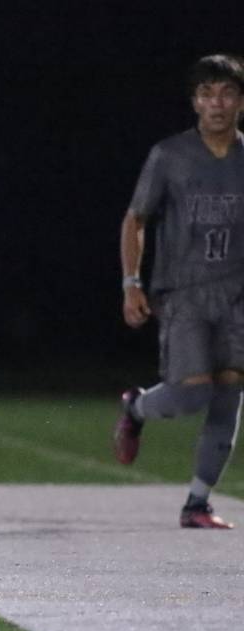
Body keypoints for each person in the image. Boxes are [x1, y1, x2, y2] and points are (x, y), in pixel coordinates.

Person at [114, 54, 244, 529]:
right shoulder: (170, 155)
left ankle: (198, 502)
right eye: (208, 93)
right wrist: (132, 283)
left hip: (237, 297)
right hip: (185, 292)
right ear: (195, 102)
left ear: (241, 102)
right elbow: (136, 219)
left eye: (227, 93)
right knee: (192, 394)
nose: (217, 103)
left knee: (230, 394)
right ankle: (137, 406)